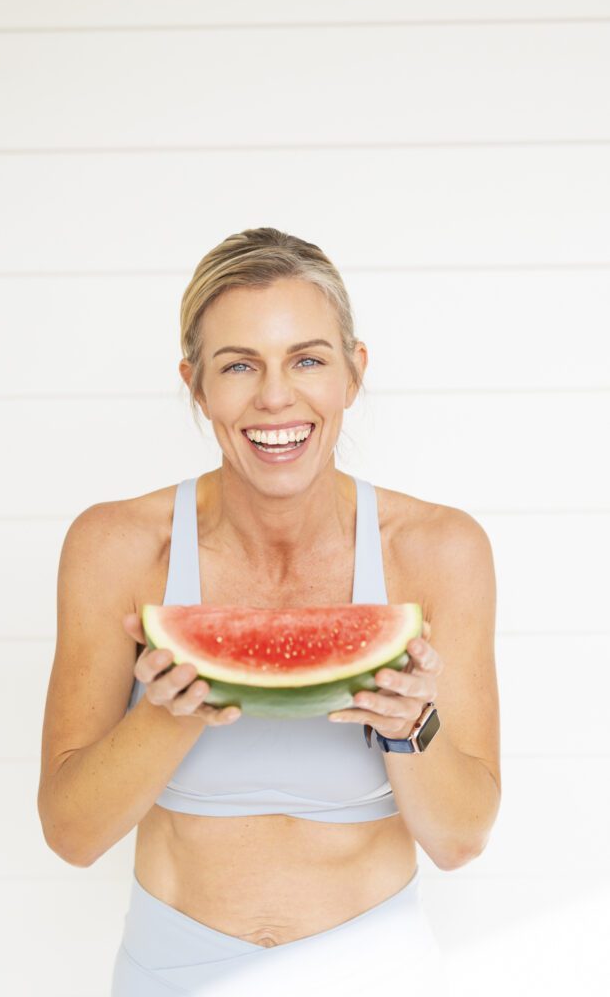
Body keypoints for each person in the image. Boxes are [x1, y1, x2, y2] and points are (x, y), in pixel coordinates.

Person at [38, 227, 501, 995]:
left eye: (308, 359)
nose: (276, 396)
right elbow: (71, 835)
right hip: (171, 974)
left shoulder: (437, 550)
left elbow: (459, 842)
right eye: (238, 366)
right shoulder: (117, 547)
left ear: (353, 373)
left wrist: (409, 726)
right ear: (195, 385)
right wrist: (171, 711)